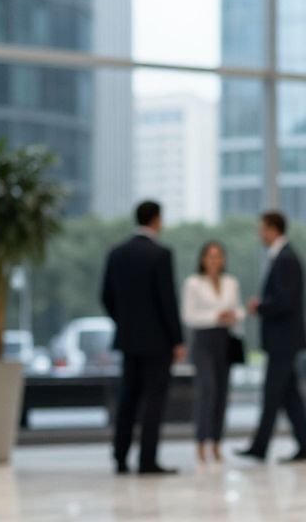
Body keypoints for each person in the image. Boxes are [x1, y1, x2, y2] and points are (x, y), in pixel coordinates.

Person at [101, 200, 185, 475]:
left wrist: (124, 322)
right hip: (157, 341)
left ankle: (120, 457)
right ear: (156, 220)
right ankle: (147, 460)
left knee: (128, 398)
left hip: (127, 339)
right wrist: (177, 339)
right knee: (153, 400)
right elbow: (167, 300)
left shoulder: (117, 253)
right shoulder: (160, 254)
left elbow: (106, 296)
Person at [237, 211, 306, 463]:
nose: (260, 234)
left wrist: (259, 306)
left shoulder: (286, 259)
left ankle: (260, 447)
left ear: (273, 229)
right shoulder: (283, 257)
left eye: (262, 229)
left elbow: (285, 300)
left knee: (272, 394)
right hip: (284, 340)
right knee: (290, 396)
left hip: (284, 340)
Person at [182, 241, 245, 463]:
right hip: (203, 341)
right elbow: (189, 316)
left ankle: (216, 442)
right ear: (202, 259)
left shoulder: (231, 282)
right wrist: (216, 316)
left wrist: (234, 315)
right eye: (210, 256)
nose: (215, 260)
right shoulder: (193, 283)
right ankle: (201, 441)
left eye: (218, 256)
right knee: (207, 390)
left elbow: (239, 309)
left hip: (225, 340)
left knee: (221, 393)